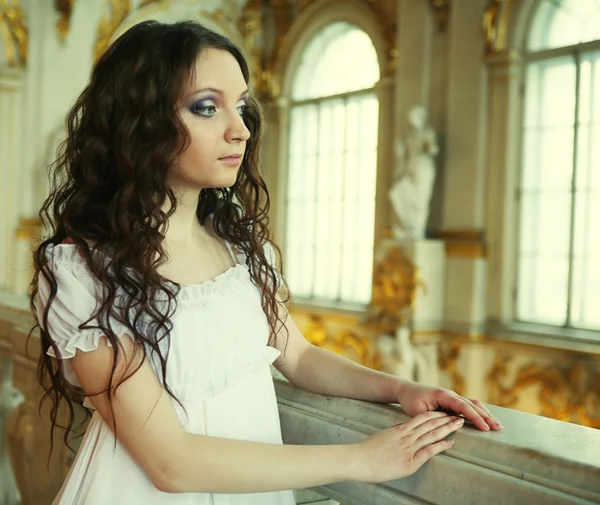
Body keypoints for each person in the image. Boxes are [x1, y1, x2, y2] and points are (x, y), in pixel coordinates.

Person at [29, 20, 501, 505]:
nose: (240, 129)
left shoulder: (239, 246)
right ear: (139, 122)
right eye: (206, 107)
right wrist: (362, 459)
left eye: (241, 106)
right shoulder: (83, 270)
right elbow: (168, 462)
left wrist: (400, 388)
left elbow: (298, 356)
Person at [389, 105, 439, 240]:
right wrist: (399, 151)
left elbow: (433, 150)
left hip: (422, 167)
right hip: (410, 166)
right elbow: (404, 155)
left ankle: (416, 230)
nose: (412, 120)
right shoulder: (409, 135)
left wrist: (428, 147)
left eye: (414, 117)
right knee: (398, 191)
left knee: (419, 200)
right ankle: (408, 227)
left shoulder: (428, 133)